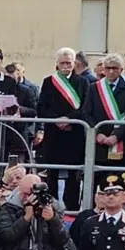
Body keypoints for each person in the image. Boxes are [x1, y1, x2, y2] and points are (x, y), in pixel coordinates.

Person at [36, 47, 89, 209]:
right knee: (52, 172)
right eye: (62, 63)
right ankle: (50, 206)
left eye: (69, 63)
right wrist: (56, 120)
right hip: (54, 133)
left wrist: (70, 119)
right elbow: (42, 106)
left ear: (75, 64)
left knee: (74, 174)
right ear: (57, 64)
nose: (65, 66)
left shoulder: (82, 82)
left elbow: (86, 107)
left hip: (74, 133)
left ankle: (72, 207)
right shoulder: (48, 81)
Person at [83, 54, 125, 168]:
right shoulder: (94, 88)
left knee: (120, 177)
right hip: (99, 141)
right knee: (98, 177)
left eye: (114, 68)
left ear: (121, 70)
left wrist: (116, 136)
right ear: (103, 69)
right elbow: (86, 113)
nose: (111, 71)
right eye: (108, 68)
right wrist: (97, 133)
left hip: (121, 140)